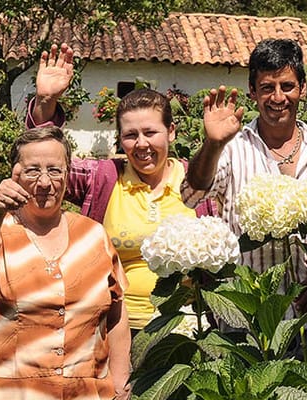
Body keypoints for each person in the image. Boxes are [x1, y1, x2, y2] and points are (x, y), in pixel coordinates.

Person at [182, 38, 307, 374]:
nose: (278, 97)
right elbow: (193, 194)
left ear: (303, 89)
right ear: (252, 91)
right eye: (267, 87)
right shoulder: (232, 151)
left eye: (287, 86)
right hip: (249, 322)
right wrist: (212, 145)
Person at [28, 44, 215, 334]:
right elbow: (47, 164)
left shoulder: (198, 181)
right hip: (113, 330)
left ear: (172, 131)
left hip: (188, 330)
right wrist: (45, 102)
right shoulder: (104, 178)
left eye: (150, 132)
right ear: (119, 139)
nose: (141, 144)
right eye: (130, 135)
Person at [0, 126, 131, 400]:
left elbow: (116, 316)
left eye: (54, 170)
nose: (44, 182)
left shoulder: (93, 235)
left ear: (67, 173)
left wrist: (120, 388)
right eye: (32, 170)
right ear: (15, 174)